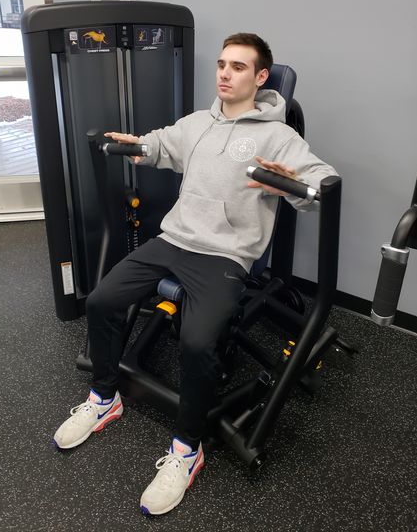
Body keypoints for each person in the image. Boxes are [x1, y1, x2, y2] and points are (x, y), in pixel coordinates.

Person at [53, 33, 337, 515]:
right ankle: (104, 397)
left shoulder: (278, 136)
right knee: (102, 300)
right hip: (174, 240)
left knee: (199, 342)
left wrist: (293, 182)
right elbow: (165, 143)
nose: (225, 74)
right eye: (222, 65)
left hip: (225, 255)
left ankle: (187, 449)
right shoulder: (199, 122)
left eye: (239, 67)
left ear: (260, 77)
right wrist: (139, 145)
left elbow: (320, 180)